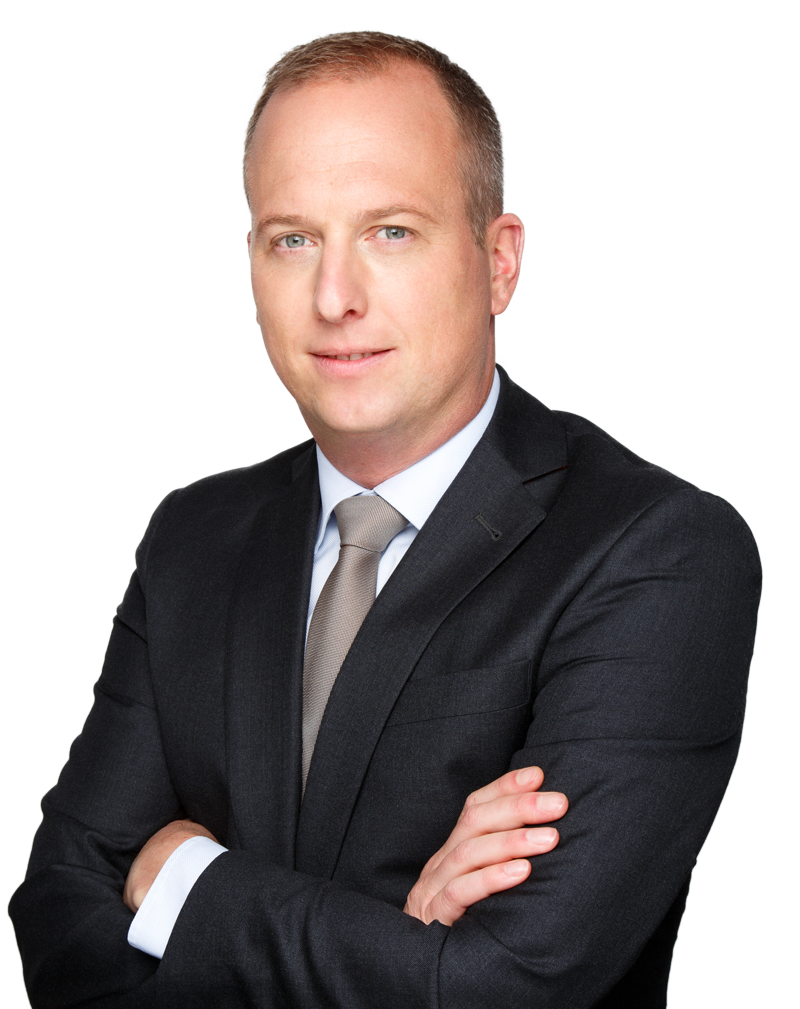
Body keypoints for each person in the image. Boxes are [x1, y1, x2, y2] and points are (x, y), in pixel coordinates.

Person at [9, 30, 761, 1008]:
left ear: (498, 262)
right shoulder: (194, 539)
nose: (334, 297)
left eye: (390, 232)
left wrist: (185, 879)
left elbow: (505, 990)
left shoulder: (654, 553)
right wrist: (398, 939)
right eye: (293, 239)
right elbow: (58, 930)